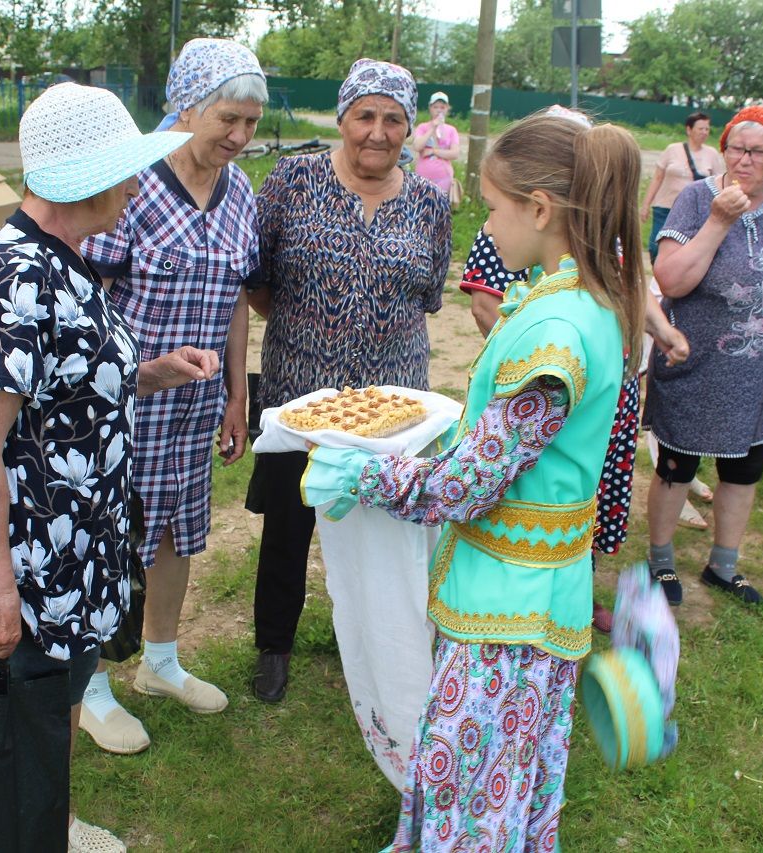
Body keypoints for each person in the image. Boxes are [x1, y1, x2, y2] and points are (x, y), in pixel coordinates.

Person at [300, 110, 645, 851]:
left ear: (541, 208)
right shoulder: (574, 299)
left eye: (493, 207)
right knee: (499, 773)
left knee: (476, 787)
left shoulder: (557, 331)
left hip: (509, 615)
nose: (485, 225)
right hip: (532, 599)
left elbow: (466, 484)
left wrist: (366, 472)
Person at [0, 82, 218, 853]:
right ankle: (33, 832)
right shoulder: (15, 277)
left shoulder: (62, 259)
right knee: (37, 704)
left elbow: (64, 385)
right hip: (38, 549)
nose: (137, 187)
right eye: (126, 172)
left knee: (59, 693)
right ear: (86, 180)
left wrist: (156, 370)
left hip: (81, 535)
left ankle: (48, 823)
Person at [77, 37, 267, 757]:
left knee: (176, 530)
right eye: (229, 119)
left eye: (250, 123)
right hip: (125, 398)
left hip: (195, 402)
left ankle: (159, 663)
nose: (241, 137)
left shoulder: (240, 192)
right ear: (185, 106)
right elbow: (86, 290)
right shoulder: (131, 182)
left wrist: (234, 393)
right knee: (107, 535)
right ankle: (90, 686)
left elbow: (239, 300)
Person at [245, 58, 451, 704]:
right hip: (299, 393)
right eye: (365, 115)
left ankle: (376, 640)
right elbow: (256, 279)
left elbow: (429, 294)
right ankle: (274, 645)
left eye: (394, 119)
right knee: (288, 524)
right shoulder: (291, 180)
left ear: (409, 129)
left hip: (393, 404)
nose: (378, 132)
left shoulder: (429, 204)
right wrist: (309, 333)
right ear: (343, 118)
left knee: (386, 528)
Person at [458, 222, 690, 635]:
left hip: (606, 391)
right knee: (533, 495)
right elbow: (484, 304)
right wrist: (536, 367)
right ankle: (520, 604)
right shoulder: (512, 222)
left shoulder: (604, 229)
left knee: (588, 496)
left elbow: (628, 284)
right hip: (548, 391)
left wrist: (662, 330)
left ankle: (574, 592)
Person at [644, 106, 763, 607]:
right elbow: (672, 280)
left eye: (758, 152)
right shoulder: (698, 200)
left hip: (757, 369)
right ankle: (661, 559)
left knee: (744, 470)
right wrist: (720, 220)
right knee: (677, 467)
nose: (744, 159)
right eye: (736, 148)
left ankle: (724, 565)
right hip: (695, 362)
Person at [641, 112, 727, 263]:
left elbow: (719, 183)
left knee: (684, 248)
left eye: (707, 129)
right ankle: (658, 276)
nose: (704, 132)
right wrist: (646, 205)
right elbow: (657, 178)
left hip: (694, 210)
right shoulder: (672, 150)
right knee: (656, 246)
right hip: (665, 207)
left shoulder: (712, 154)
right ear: (689, 129)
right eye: (700, 129)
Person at [411, 91, 461, 203]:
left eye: (442, 107)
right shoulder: (423, 127)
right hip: (423, 177)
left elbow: (454, 153)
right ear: (430, 108)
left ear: (447, 108)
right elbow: (417, 146)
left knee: (439, 210)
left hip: (444, 177)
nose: (439, 110)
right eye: (435, 107)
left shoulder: (451, 130)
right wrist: (433, 127)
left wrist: (433, 151)